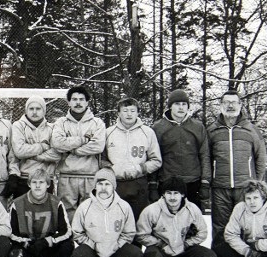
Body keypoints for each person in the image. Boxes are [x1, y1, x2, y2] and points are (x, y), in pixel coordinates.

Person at [207, 90, 267, 257]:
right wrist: (209, 181)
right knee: (220, 229)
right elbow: (206, 159)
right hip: (221, 188)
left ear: (241, 106)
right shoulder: (212, 130)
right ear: (221, 106)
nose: (231, 106)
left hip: (245, 189)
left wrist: (255, 184)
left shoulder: (251, 130)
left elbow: (261, 157)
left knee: (247, 229)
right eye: (227, 102)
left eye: (234, 102)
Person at [136, 176, 216, 257]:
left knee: (209, 255)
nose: (172, 197)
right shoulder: (152, 210)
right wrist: (160, 244)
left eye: (176, 193)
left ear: (182, 194)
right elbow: (141, 234)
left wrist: (187, 244)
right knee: (150, 253)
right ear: (163, 194)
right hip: (162, 252)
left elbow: (202, 232)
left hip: (183, 250)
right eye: (169, 193)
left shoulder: (192, 209)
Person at [71, 168, 142, 257]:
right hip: (93, 252)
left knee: (136, 254)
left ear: (113, 186)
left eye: (107, 184)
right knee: (78, 255)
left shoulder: (124, 207)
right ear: (95, 186)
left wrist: (118, 245)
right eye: (100, 184)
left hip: (115, 252)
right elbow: (77, 232)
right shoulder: (85, 207)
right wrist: (92, 245)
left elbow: (129, 232)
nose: (103, 188)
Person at [8, 169, 73, 257]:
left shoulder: (56, 203)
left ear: (48, 184)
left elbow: (66, 231)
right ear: (29, 184)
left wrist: (48, 241)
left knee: (68, 246)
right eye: (34, 182)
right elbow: (11, 232)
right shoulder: (17, 204)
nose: (37, 186)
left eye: (41, 182)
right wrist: (26, 242)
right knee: (13, 252)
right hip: (29, 246)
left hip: (47, 246)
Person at [51, 86, 106, 220]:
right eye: (74, 99)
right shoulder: (61, 123)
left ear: (87, 102)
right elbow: (58, 143)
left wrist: (72, 149)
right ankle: (69, 240)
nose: (78, 102)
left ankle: (87, 240)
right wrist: (83, 140)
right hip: (67, 175)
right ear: (68, 102)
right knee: (66, 212)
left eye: (82, 99)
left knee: (90, 212)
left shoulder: (97, 123)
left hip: (90, 174)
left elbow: (98, 146)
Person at [103, 97, 162, 221]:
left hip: (139, 182)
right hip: (116, 184)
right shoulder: (108, 133)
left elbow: (156, 160)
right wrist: (112, 170)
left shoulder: (147, 132)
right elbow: (101, 160)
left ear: (138, 112)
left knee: (138, 220)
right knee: (117, 220)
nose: (129, 114)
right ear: (118, 113)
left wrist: (141, 168)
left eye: (132, 110)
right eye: (125, 110)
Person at [150, 89, 211, 209]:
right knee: (167, 221)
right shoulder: (158, 127)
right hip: (167, 182)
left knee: (191, 221)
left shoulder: (197, 127)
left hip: (192, 182)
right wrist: (152, 183)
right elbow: (153, 156)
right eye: (177, 104)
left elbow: (204, 155)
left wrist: (205, 182)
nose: (181, 107)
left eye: (184, 104)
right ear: (170, 107)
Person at [11, 96, 61, 198]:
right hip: (24, 178)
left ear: (44, 111)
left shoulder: (52, 128)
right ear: (26, 110)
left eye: (38, 109)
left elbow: (57, 154)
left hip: (46, 180)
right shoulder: (18, 126)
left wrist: (32, 155)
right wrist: (42, 146)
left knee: (45, 213)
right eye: (31, 109)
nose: (34, 112)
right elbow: (19, 151)